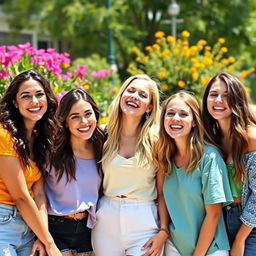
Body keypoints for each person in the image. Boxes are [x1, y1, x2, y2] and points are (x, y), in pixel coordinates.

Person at [92, 74, 168, 256]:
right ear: (122, 95)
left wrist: (164, 230)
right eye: (131, 90)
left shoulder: (157, 140)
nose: (134, 96)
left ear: (150, 106)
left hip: (144, 219)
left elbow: (162, 190)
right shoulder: (103, 134)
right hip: (106, 220)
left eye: (142, 94)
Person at [154, 91, 233, 256]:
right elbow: (161, 195)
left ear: (195, 122)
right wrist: (163, 229)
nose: (176, 118)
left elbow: (214, 213)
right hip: (175, 245)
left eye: (183, 114)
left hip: (211, 248)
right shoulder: (164, 156)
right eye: (170, 113)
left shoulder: (209, 157)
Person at [0, 69, 61, 256]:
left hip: (29, 226)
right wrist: (51, 246)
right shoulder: (4, 135)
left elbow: (40, 194)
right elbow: (20, 196)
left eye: (39, 94)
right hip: (3, 222)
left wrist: (42, 237)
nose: (34, 102)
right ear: (15, 103)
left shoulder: (39, 138)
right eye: (26, 96)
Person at [44, 88, 104, 256]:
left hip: (88, 231)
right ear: (65, 121)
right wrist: (41, 237)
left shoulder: (102, 147)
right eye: (75, 117)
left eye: (88, 114)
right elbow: (37, 195)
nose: (84, 121)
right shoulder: (50, 152)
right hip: (56, 229)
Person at [202, 72, 256, 256]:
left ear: (237, 100)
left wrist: (240, 239)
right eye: (213, 94)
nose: (218, 100)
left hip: (250, 225)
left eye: (226, 96)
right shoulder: (210, 138)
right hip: (220, 222)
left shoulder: (251, 138)